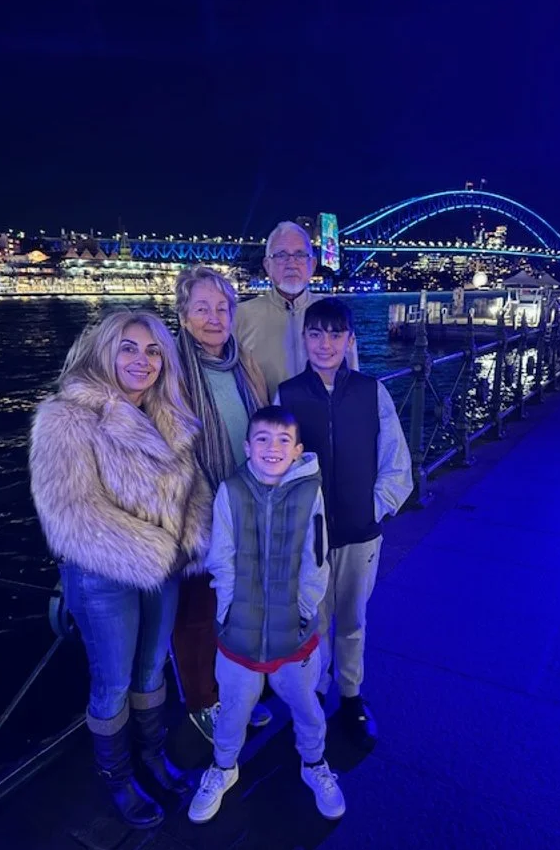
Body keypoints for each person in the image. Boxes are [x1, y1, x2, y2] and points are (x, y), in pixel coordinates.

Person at [29, 310, 212, 829]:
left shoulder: (167, 411)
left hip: (164, 565)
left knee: (153, 667)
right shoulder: (66, 416)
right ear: (105, 350)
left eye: (153, 351)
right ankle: (118, 777)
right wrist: (158, 547)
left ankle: (152, 755)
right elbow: (71, 512)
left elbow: (189, 487)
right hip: (104, 574)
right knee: (111, 683)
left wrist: (195, 535)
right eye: (129, 348)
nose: (143, 361)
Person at [187, 406, 345, 824]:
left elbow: (316, 558)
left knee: (306, 706)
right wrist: (227, 615)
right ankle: (223, 767)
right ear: (247, 446)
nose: (271, 449)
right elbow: (221, 559)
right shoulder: (231, 491)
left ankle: (314, 764)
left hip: (294, 634)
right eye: (262, 439)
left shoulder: (311, 494)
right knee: (234, 707)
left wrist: (305, 610)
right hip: (238, 633)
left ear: (297, 451)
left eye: (281, 441)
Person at [277, 297, 413, 750]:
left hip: (359, 531)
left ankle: (351, 693)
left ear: (351, 340)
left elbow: (397, 461)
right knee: (314, 619)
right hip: (309, 537)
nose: (325, 343)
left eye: (336, 334)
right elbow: (273, 465)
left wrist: (374, 508)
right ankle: (315, 690)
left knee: (353, 617)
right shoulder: (288, 394)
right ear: (304, 340)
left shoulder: (373, 391)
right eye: (316, 334)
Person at [172, 266, 272, 742]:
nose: (214, 318)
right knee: (197, 612)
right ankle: (201, 702)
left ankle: (235, 693)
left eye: (223, 307)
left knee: (235, 608)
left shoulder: (243, 362)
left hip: (245, 505)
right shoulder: (169, 366)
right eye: (202, 308)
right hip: (195, 510)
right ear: (183, 316)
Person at [236, 220, 359, 398]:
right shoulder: (240, 316)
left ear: (313, 265)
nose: (291, 263)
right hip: (266, 423)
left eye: (300, 254)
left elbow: (352, 376)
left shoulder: (334, 313)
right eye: (281, 255)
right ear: (267, 265)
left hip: (325, 424)